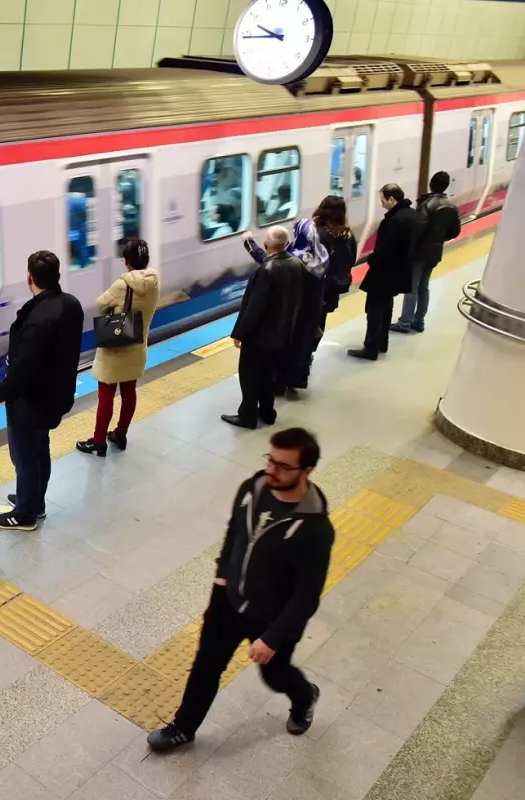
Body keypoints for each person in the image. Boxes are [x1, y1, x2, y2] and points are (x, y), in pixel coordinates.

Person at [147, 428, 334, 753]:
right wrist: (222, 574)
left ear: (307, 471)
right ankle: (184, 727)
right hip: (228, 601)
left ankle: (305, 697)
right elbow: (235, 530)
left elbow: (306, 596)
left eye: (283, 466)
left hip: (272, 620)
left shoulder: (315, 530)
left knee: (274, 677)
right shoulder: (253, 487)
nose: (271, 471)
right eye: (270, 460)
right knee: (206, 665)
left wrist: (272, 638)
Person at [0, 250, 84, 532]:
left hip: (30, 400)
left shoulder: (39, 317)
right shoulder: (71, 305)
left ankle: (25, 514)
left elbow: (25, 367)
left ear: (30, 278)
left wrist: (4, 391)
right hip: (54, 395)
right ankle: (35, 500)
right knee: (39, 448)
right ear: (57, 276)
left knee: (24, 456)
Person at [77, 238, 159, 457]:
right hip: (137, 345)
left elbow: (100, 305)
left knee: (106, 396)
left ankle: (98, 442)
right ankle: (120, 434)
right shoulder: (154, 282)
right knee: (129, 392)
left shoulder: (122, 285)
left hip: (115, 348)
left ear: (126, 262)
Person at [222, 227, 303, 430]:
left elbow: (254, 307)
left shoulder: (265, 271)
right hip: (282, 333)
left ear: (267, 246)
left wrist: (239, 334)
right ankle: (268, 412)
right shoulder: (296, 264)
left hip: (259, 336)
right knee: (269, 374)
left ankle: (247, 416)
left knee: (249, 375)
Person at [348, 184, 423, 361]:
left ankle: (370, 348)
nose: (381, 204)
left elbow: (385, 249)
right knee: (387, 306)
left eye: (383, 200)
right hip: (398, 271)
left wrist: (372, 260)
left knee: (374, 309)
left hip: (384, 273)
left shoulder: (396, 220)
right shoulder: (411, 215)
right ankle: (382, 342)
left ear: (392, 199)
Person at [391, 171, 461, 334]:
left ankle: (404, 322)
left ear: (431, 184)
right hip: (435, 252)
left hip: (419, 252)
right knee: (424, 287)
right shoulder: (451, 206)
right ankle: (419, 320)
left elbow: (417, 229)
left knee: (412, 288)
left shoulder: (426, 205)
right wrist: (439, 239)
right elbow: (455, 231)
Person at [274, 218, 328, 399]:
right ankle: (297, 380)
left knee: (287, 347)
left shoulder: (296, 258)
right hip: (312, 310)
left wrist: (250, 245)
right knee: (303, 347)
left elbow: (273, 263)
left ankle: (280, 382)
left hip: (295, 310)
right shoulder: (321, 254)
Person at [313, 196, 358, 339]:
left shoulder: (315, 233)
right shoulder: (348, 235)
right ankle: (311, 352)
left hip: (315, 288)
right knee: (321, 320)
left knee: (308, 321)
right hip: (334, 286)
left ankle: (303, 355)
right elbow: (351, 259)